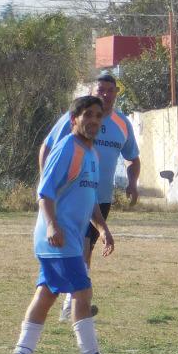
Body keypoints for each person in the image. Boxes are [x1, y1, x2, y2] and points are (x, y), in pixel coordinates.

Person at [8, 95, 124, 354]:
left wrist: (102, 228)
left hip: (67, 238)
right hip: (58, 239)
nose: (94, 121)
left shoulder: (92, 154)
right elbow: (44, 192)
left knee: (47, 294)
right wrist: (51, 226)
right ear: (75, 120)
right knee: (82, 292)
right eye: (88, 115)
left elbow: (90, 197)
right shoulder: (67, 149)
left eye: (98, 116)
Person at [40, 70, 141, 321]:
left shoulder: (122, 123)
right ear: (91, 93)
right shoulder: (75, 119)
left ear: (117, 94)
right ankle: (75, 304)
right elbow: (47, 147)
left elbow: (133, 158)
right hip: (71, 199)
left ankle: (72, 302)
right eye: (100, 91)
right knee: (80, 247)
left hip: (100, 198)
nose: (106, 95)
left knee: (86, 249)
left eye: (110, 91)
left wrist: (133, 183)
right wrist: (47, 183)